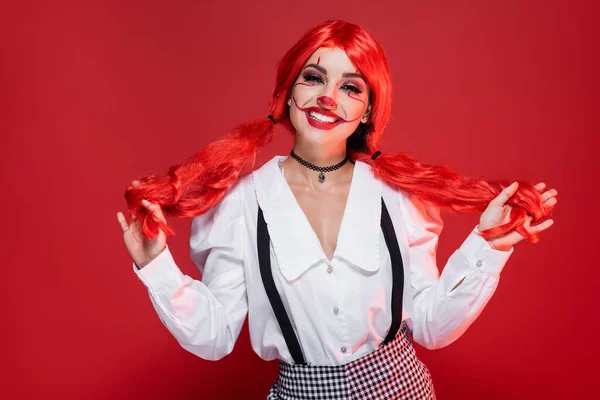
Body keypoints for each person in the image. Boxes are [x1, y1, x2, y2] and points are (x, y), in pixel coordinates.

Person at [116, 20, 557, 399]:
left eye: (350, 87)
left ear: (367, 111)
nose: (329, 97)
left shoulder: (399, 197)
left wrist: (489, 249)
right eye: (314, 78)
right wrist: (155, 264)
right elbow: (213, 336)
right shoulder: (239, 205)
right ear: (288, 93)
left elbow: (430, 328)